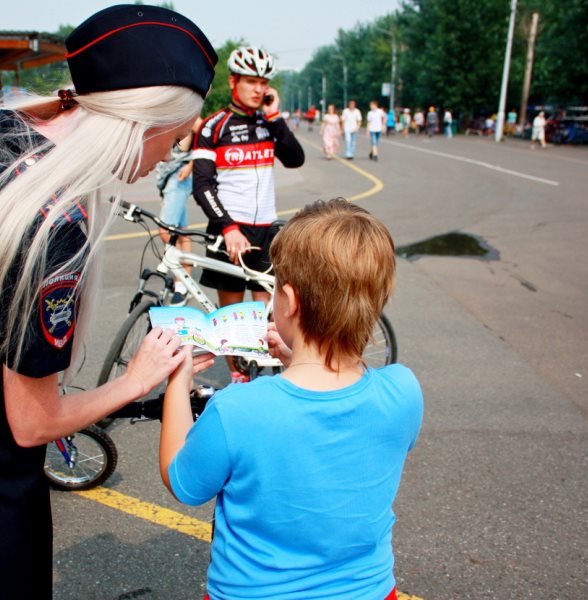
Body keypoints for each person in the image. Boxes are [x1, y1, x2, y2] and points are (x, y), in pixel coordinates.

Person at [0, 5, 217, 598]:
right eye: (176, 134)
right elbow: (33, 421)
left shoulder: (2, 132)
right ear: (140, 123)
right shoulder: (53, 224)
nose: (170, 152)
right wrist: (137, 377)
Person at [159, 198, 423, 600]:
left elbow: (183, 482)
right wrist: (293, 360)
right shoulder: (403, 391)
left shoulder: (238, 409)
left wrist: (176, 385)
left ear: (291, 301)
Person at [192, 45, 304, 384]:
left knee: (268, 319)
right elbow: (202, 184)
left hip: (265, 231)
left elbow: (295, 158)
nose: (259, 89)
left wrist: (276, 119)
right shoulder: (214, 126)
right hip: (229, 231)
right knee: (232, 318)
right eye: (251, 81)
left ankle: (272, 382)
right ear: (233, 81)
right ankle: (239, 379)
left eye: (264, 82)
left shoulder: (268, 123)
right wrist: (227, 228)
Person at [155, 117, 202, 306]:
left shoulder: (189, 114)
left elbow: (204, 134)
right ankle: (183, 284)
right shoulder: (173, 113)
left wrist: (191, 165)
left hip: (178, 178)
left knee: (165, 231)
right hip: (170, 178)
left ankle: (181, 274)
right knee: (181, 233)